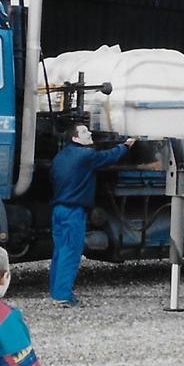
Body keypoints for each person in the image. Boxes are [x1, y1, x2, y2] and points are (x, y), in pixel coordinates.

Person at [48, 125, 135, 306]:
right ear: (75, 138)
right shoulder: (85, 156)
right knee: (71, 252)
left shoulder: (60, 157)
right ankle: (63, 295)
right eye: (85, 132)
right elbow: (108, 157)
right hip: (73, 211)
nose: (90, 134)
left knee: (60, 251)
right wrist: (125, 146)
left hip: (58, 209)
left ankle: (56, 292)